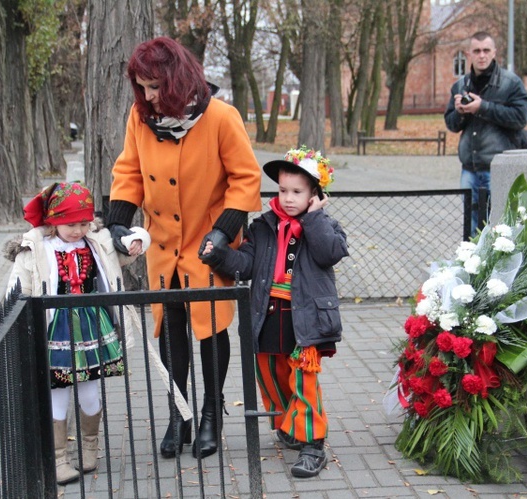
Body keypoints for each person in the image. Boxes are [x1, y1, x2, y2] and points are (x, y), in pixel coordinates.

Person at [105, 36, 261, 460]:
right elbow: (129, 171)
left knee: (210, 329)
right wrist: (119, 220)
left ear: (176, 79)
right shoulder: (140, 120)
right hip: (162, 245)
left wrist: (225, 232)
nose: (149, 97)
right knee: (171, 330)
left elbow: (245, 179)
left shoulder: (221, 117)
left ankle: (212, 413)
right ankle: (180, 414)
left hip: (207, 242)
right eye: (143, 87)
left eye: (156, 87)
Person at [201, 147, 348, 478]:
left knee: (302, 377)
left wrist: (314, 217)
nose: (288, 198)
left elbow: (329, 253)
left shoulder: (325, 226)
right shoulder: (264, 226)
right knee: (270, 373)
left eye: (297, 192)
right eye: (283, 190)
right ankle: (288, 426)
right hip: (267, 313)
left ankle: (313, 442)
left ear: (315, 194)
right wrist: (219, 255)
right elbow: (248, 263)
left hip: (306, 317)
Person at [5, 181, 149, 484]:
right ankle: (58, 458)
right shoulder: (34, 248)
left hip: (92, 325)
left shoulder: (97, 242)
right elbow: (18, 290)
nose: (78, 230)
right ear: (53, 220)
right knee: (57, 389)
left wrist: (138, 241)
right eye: (71, 224)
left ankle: (89, 447)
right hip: (54, 327)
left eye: (84, 223)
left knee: (90, 388)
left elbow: (126, 250)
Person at [444, 31, 527, 233]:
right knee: (472, 223)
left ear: (494, 53)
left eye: (486, 50)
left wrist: (482, 107)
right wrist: (460, 112)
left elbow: (520, 118)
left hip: (498, 166)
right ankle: (473, 262)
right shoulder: (460, 85)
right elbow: (451, 124)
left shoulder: (511, 83)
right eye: (477, 51)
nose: (481, 55)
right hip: (469, 167)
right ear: (469, 54)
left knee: (500, 224)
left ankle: (499, 264)